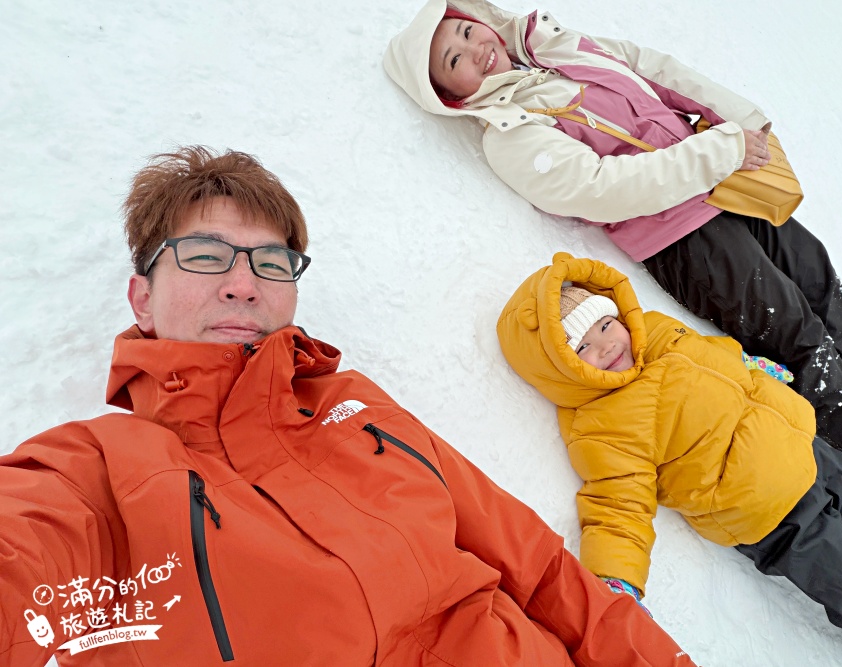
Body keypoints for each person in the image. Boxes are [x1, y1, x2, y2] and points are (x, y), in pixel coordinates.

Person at [0, 147, 698, 666]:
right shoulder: (101, 474)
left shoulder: (356, 405)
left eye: (270, 262)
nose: (244, 284)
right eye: (206, 255)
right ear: (142, 299)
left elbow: (540, 567)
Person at [383, 0, 842, 500]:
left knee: (828, 301)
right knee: (801, 342)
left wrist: (736, 119)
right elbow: (603, 190)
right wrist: (716, 152)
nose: (474, 49)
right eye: (454, 60)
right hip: (682, 235)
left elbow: (653, 69)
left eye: (464, 30)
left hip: (726, 184)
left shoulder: (553, 42)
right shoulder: (511, 136)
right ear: (453, 96)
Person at [495, 251, 842, 667]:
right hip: (766, 512)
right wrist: (616, 578)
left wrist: (751, 367)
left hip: (796, 440)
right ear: (566, 372)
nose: (607, 344)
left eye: (605, 324)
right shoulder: (600, 423)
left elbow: (712, 352)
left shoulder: (655, 333)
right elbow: (616, 503)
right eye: (584, 349)